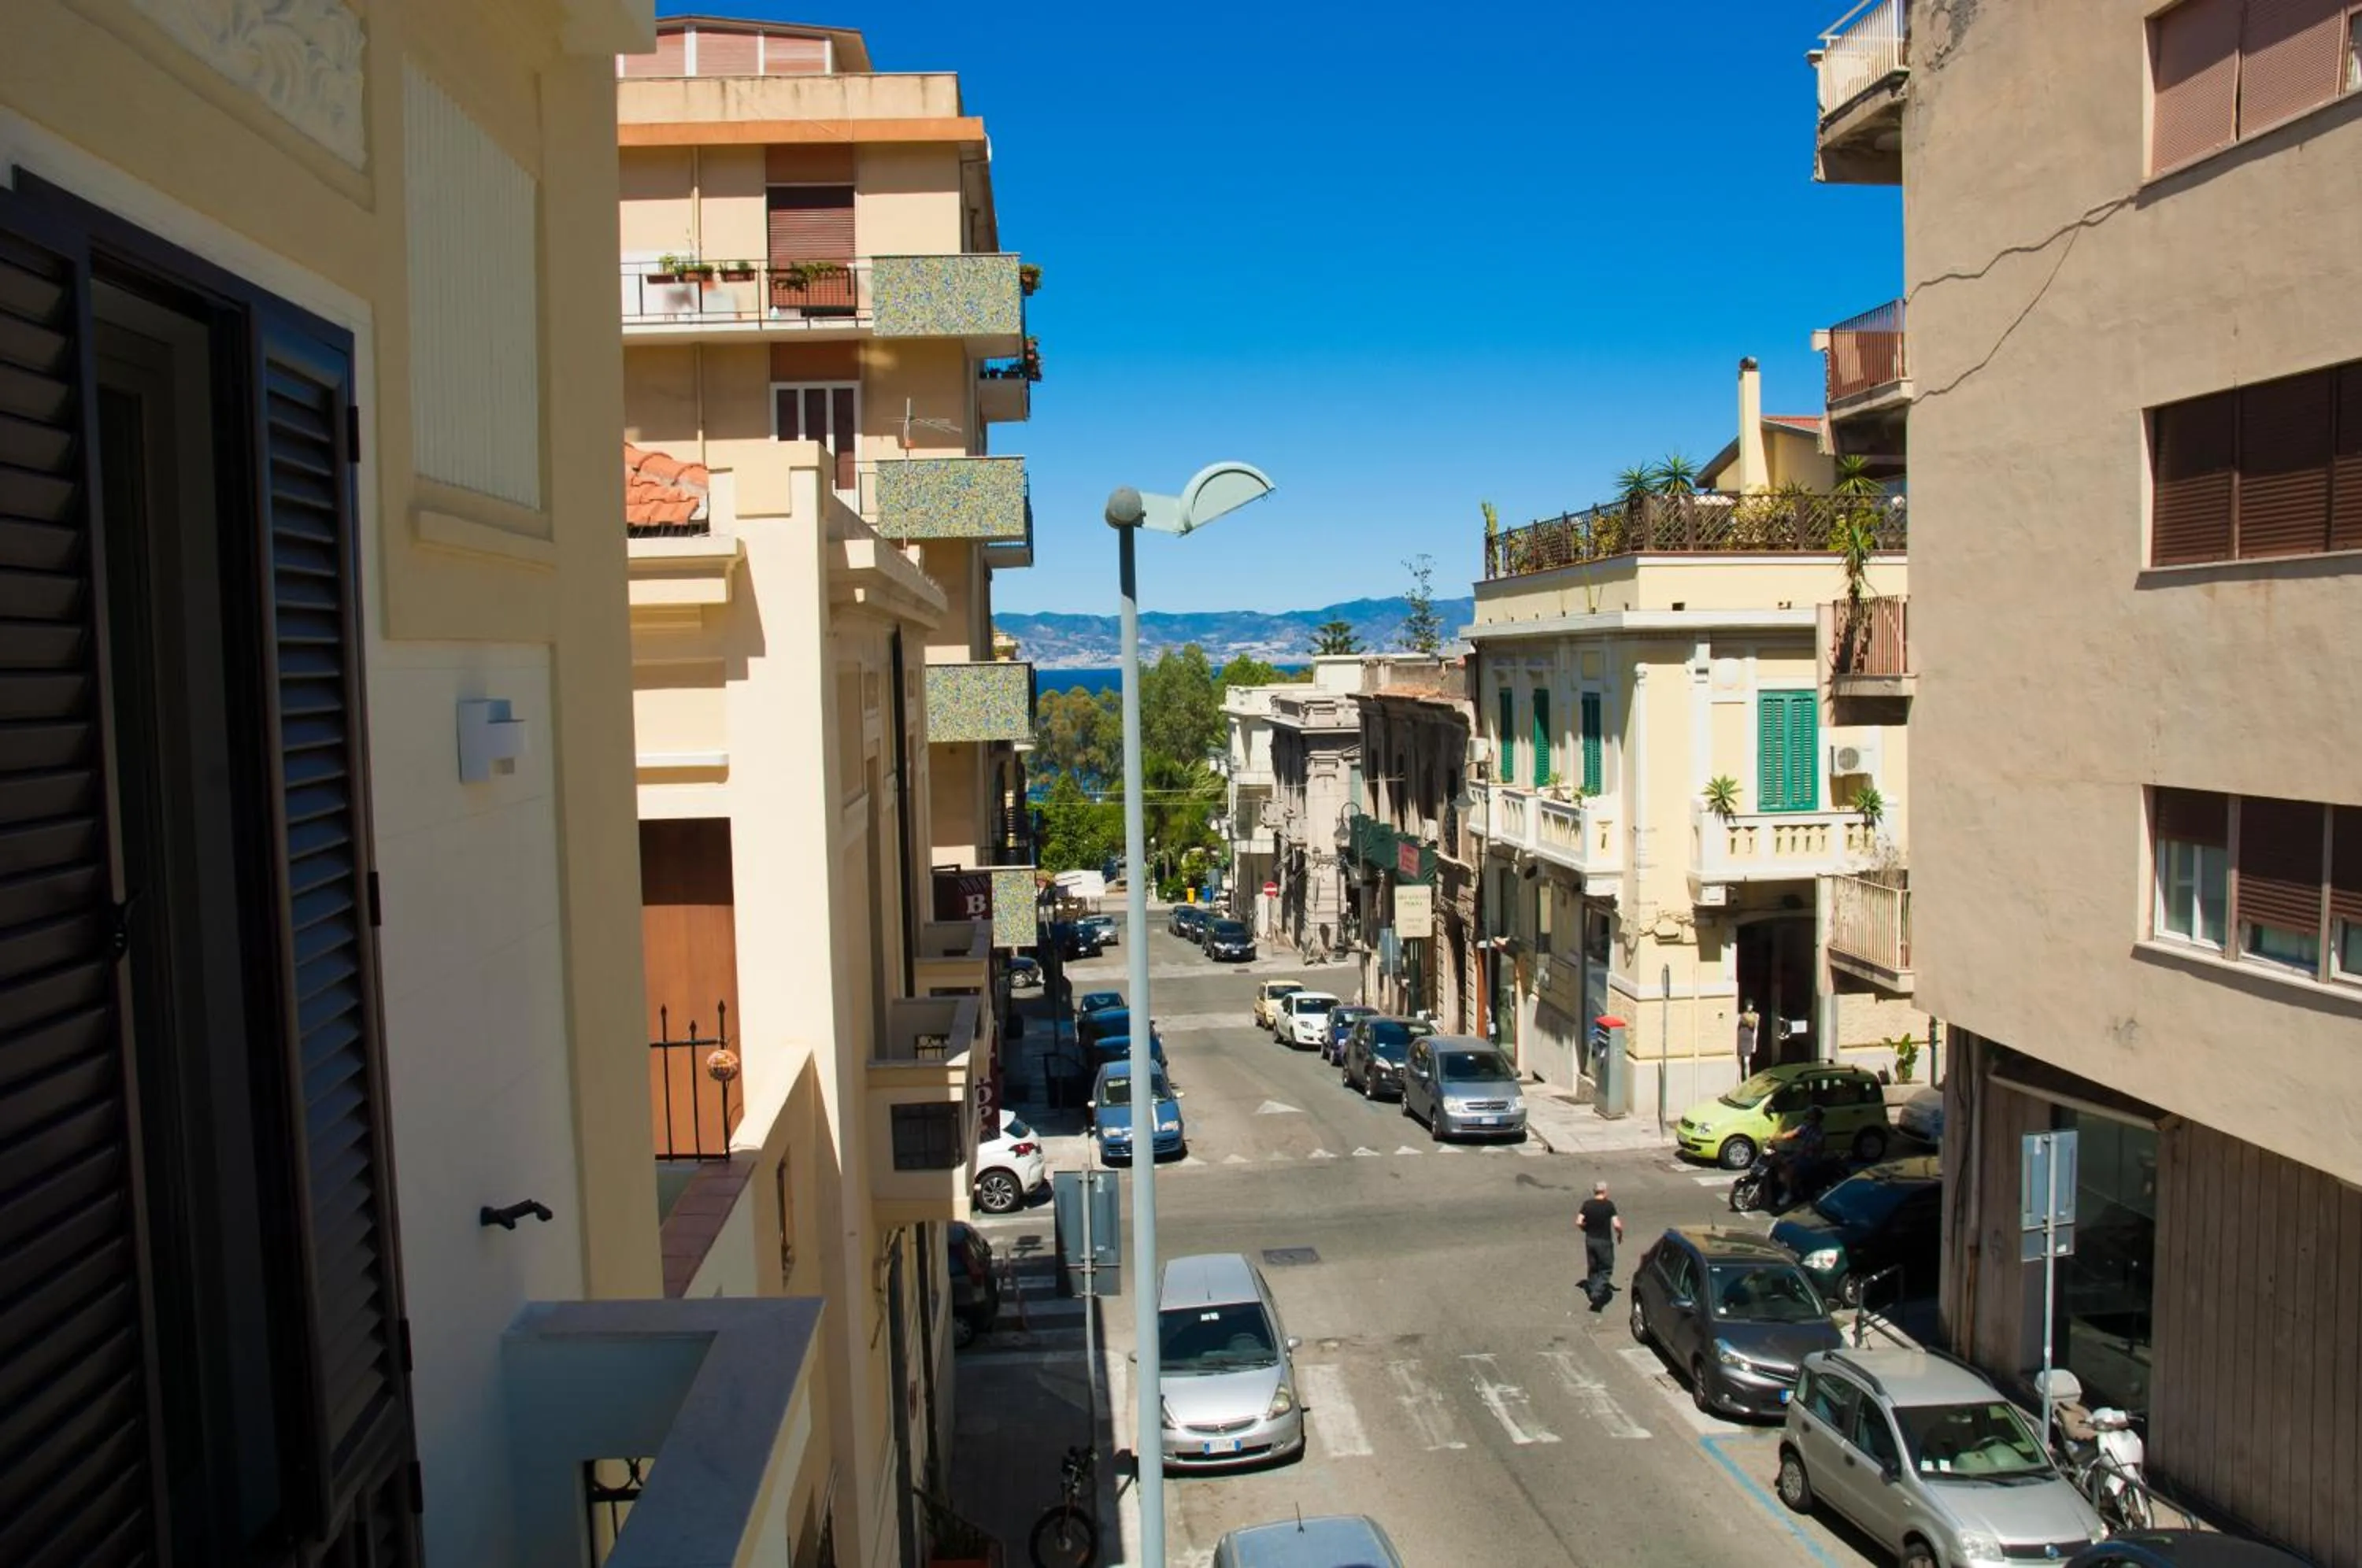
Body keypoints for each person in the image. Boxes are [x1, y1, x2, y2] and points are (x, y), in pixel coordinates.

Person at [1766, 1104, 1829, 1209]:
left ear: (1816, 1118)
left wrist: (1792, 1158)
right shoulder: (1805, 1127)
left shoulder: (1819, 1133)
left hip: (1810, 1160)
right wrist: (1776, 1137)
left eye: (1811, 1116)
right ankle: (1778, 1187)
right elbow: (1792, 1133)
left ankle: (1789, 1193)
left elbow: (1809, 1150)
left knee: (1790, 1168)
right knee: (1776, 1158)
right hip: (1800, 1155)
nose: (1808, 1118)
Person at [1577, 1181, 1623, 1311]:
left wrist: (1585, 1229)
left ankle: (1592, 1288)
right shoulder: (1609, 1205)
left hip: (1590, 1240)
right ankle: (1596, 1294)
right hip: (1604, 1241)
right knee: (1606, 1267)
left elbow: (1579, 1221)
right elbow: (1617, 1225)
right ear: (1605, 1191)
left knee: (1593, 1266)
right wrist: (1620, 1234)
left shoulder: (1587, 1204)